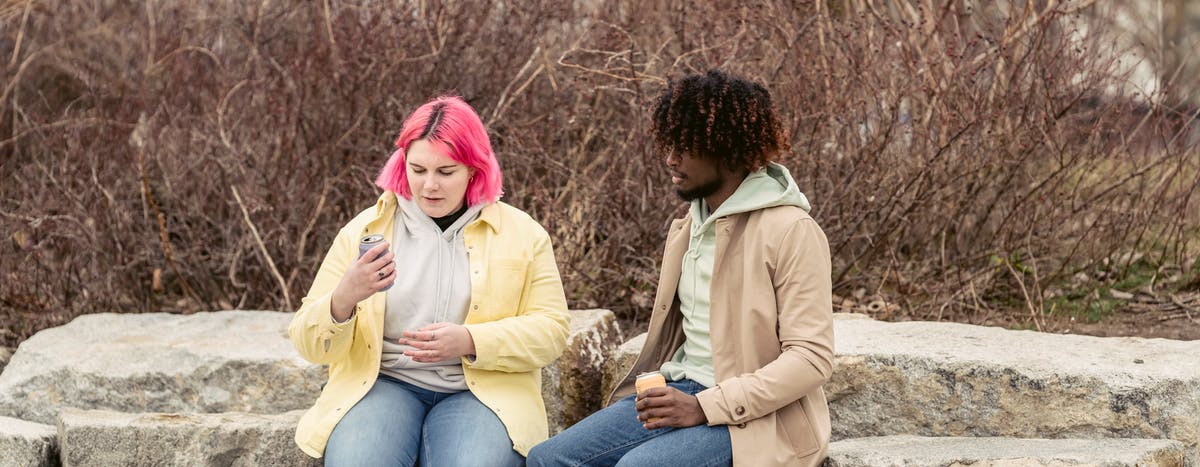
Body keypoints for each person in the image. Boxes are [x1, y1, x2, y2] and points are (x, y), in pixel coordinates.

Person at [527, 69, 834, 467]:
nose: (670, 159)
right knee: (547, 459)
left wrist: (704, 406)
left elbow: (811, 358)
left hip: (756, 417)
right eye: (668, 144)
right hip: (680, 389)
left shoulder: (792, 230)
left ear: (728, 149)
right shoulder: (690, 226)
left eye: (686, 147)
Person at [289, 95, 570, 466]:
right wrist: (343, 299)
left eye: (446, 171)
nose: (429, 186)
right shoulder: (365, 230)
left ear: (474, 169)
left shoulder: (523, 234)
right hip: (380, 384)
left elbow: (552, 332)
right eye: (417, 169)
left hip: (481, 392)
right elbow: (309, 344)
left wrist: (471, 340)